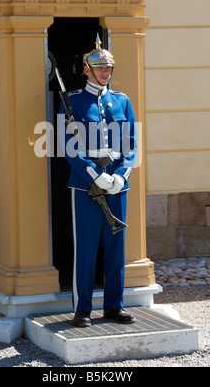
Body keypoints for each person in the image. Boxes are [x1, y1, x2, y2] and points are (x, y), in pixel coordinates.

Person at [59, 35, 138, 328]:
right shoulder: (74, 103)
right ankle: (83, 309)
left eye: (108, 69)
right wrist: (97, 176)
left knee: (115, 248)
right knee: (87, 248)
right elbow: (70, 149)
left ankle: (114, 307)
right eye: (99, 69)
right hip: (85, 186)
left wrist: (120, 176)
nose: (105, 73)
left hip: (117, 185)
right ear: (86, 70)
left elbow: (131, 144)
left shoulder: (122, 101)